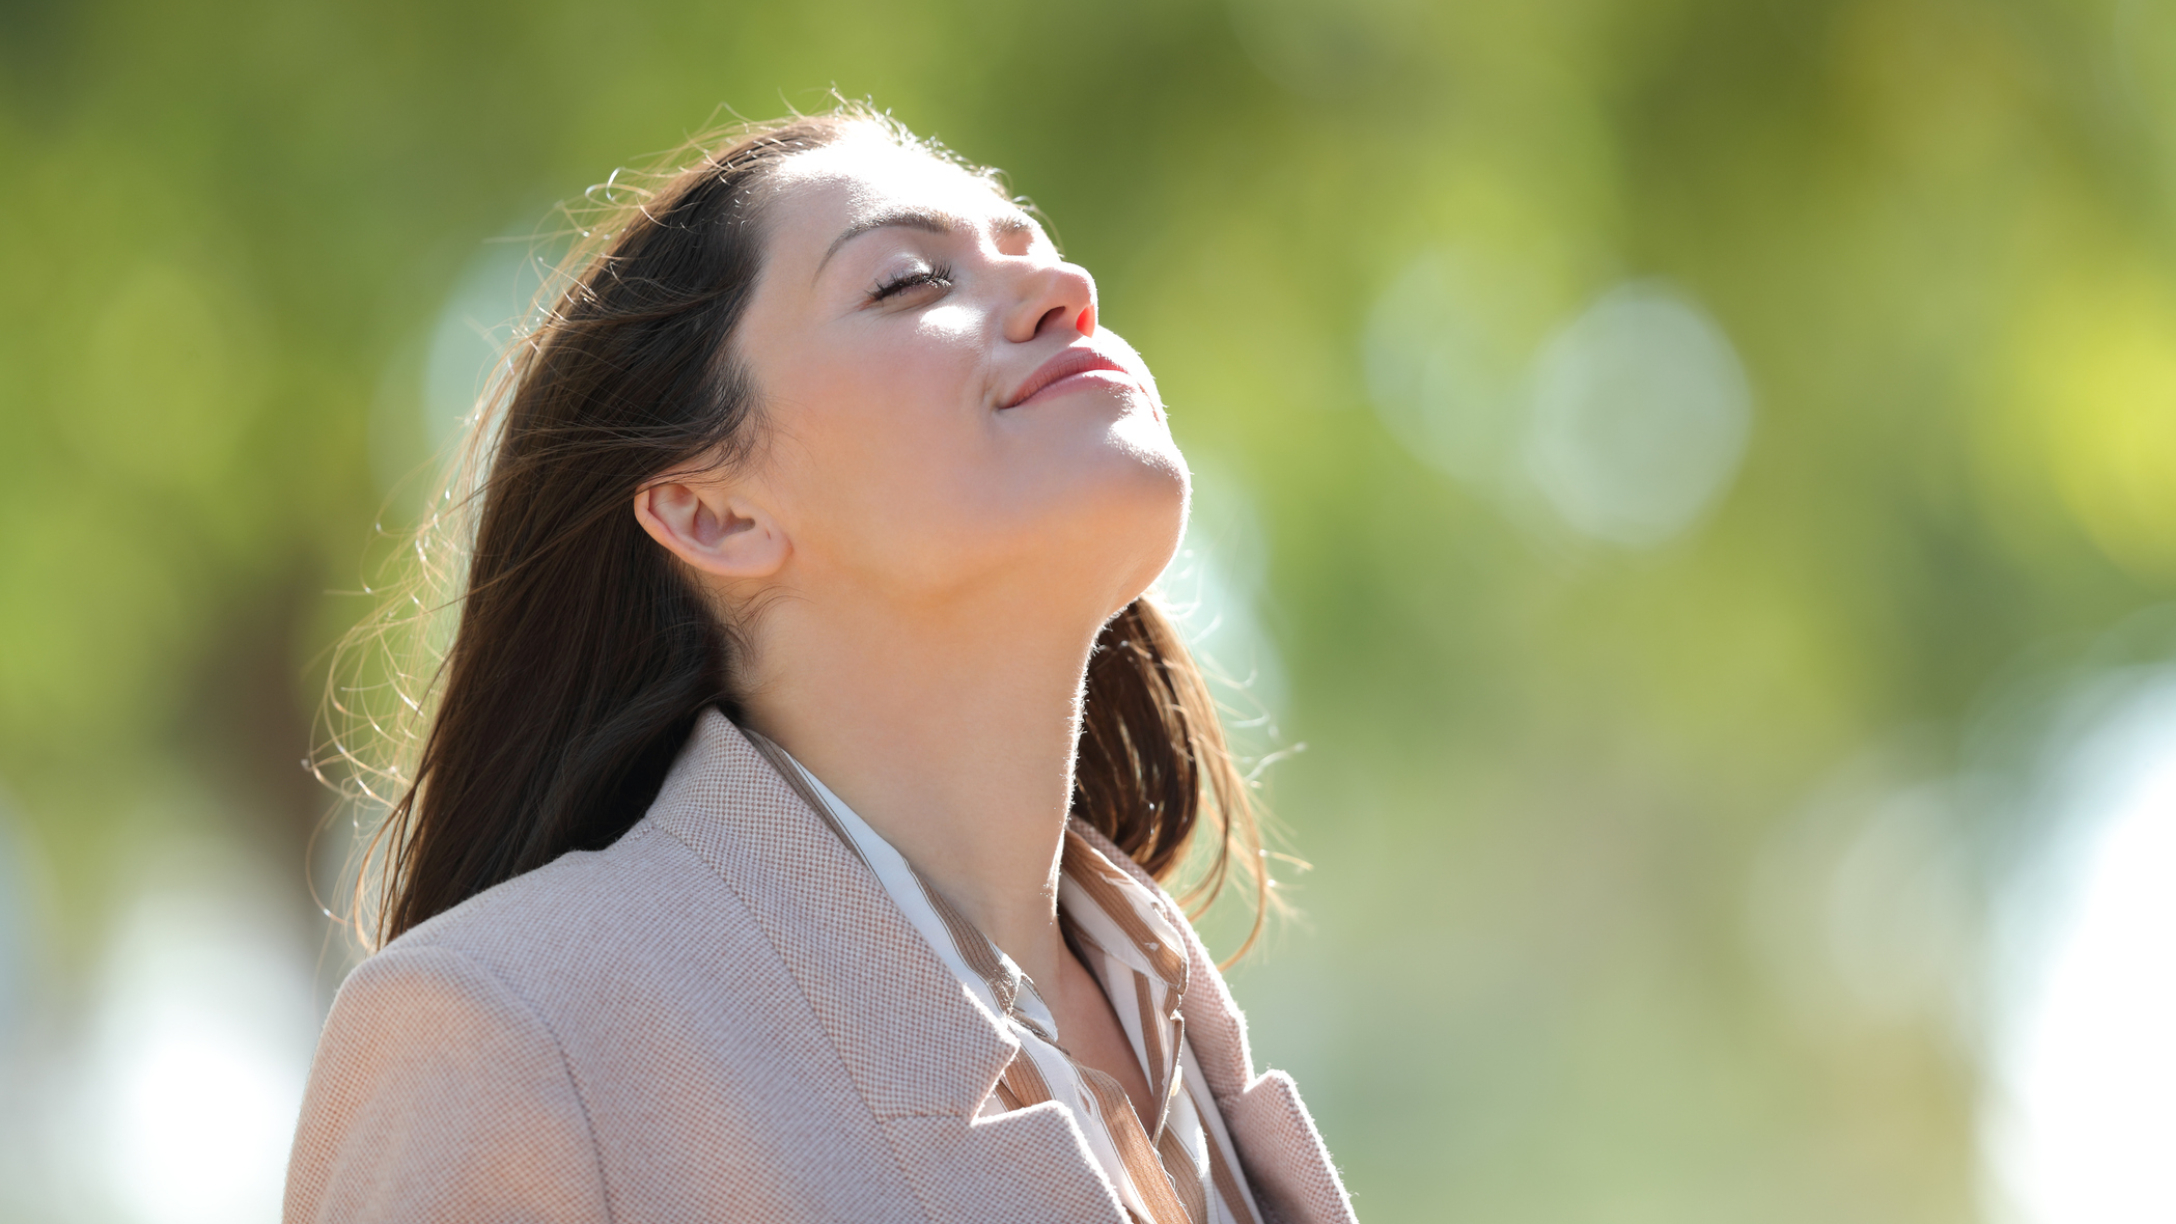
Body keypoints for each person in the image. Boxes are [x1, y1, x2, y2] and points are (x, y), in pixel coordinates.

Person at [286, 104, 1354, 1224]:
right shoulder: (509, 1036)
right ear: (712, 513)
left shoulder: (1169, 1030)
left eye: (1032, 247)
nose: (1065, 288)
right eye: (907, 282)